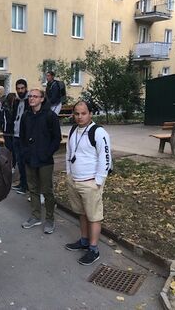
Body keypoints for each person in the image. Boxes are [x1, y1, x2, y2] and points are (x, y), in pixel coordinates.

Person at [65, 101, 112, 266]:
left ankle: (93, 249)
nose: (79, 117)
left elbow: (105, 158)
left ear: (90, 113)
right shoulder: (73, 130)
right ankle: (84, 240)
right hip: (75, 181)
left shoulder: (98, 132)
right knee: (82, 213)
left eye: (83, 113)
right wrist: (69, 174)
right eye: (76, 113)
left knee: (94, 216)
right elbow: (69, 153)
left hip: (90, 182)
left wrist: (98, 182)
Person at [20, 88, 61, 233]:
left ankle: (50, 219)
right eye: (30, 96)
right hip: (29, 158)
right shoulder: (26, 115)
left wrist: (47, 153)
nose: (31, 99)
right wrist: (24, 153)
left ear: (42, 99)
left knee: (47, 191)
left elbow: (57, 138)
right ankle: (36, 216)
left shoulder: (50, 116)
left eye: (35, 96)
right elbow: (22, 137)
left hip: (44, 160)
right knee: (33, 189)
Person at [11, 79, 30, 195]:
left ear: (26, 88)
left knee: (24, 161)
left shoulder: (29, 100)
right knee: (19, 161)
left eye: (22, 88)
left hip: (25, 136)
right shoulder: (17, 101)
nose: (20, 90)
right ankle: (22, 183)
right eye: (18, 88)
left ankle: (26, 185)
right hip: (16, 134)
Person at [0, 92, 17, 168]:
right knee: (8, 150)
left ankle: (13, 166)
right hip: (7, 132)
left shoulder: (17, 108)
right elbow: (0, 120)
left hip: (15, 132)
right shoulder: (4, 109)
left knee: (14, 150)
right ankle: (8, 165)